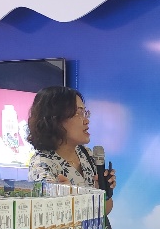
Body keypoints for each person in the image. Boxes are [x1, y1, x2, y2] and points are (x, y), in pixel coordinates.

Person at [26, 87, 116, 217]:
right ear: (55, 119)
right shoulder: (42, 165)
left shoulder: (87, 154)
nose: (86, 120)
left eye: (85, 113)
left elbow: (103, 212)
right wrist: (66, 201)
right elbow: (48, 218)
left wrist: (104, 192)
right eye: (78, 113)